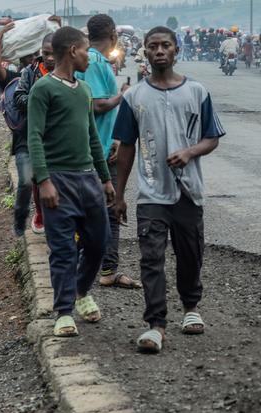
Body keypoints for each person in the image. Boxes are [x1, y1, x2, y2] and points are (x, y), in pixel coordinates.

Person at [113, 26, 225, 354]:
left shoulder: (197, 92)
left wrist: (190, 152)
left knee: (191, 254)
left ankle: (191, 308)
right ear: (144, 53)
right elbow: (126, 147)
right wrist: (119, 195)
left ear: (176, 50)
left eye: (166, 45)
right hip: (151, 193)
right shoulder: (134, 97)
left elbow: (211, 137)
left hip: (189, 191)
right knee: (151, 257)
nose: (160, 51)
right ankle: (156, 325)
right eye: (153, 46)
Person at [27, 26, 115, 338]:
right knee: (63, 249)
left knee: (98, 242)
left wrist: (105, 178)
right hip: (58, 180)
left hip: (88, 178)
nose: (90, 57)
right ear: (71, 51)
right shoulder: (44, 89)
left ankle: (81, 289)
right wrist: (44, 180)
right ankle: (64, 311)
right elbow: (34, 136)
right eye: (85, 50)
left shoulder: (84, 90)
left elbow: (92, 136)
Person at [75, 14, 140, 290]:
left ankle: (95, 266)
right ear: (113, 35)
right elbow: (96, 105)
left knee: (96, 211)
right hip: (98, 150)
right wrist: (123, 95)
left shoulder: (94, 60)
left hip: (100, 145)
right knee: (110, 209)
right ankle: (106, 269)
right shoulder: (95, 62)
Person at [12, 32, 56, 236]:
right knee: (26, 180)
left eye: (54, 53)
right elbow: (18, 98)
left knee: (46, 179)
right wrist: (40, 98)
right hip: (27, 136)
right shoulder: (30, 72)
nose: (49, 58)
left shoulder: (69, 74)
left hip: (53, 138)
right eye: (46, 53)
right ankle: (20, 220)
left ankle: (43, 215)